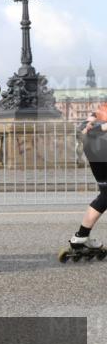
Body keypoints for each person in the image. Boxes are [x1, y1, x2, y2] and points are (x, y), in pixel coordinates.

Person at [61, 102, 107, 261]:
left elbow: (86, 125)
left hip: (95, 152)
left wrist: (90, 127)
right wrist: (95, 128)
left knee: (105, 196)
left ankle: (81, 237)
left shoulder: (97, 114)